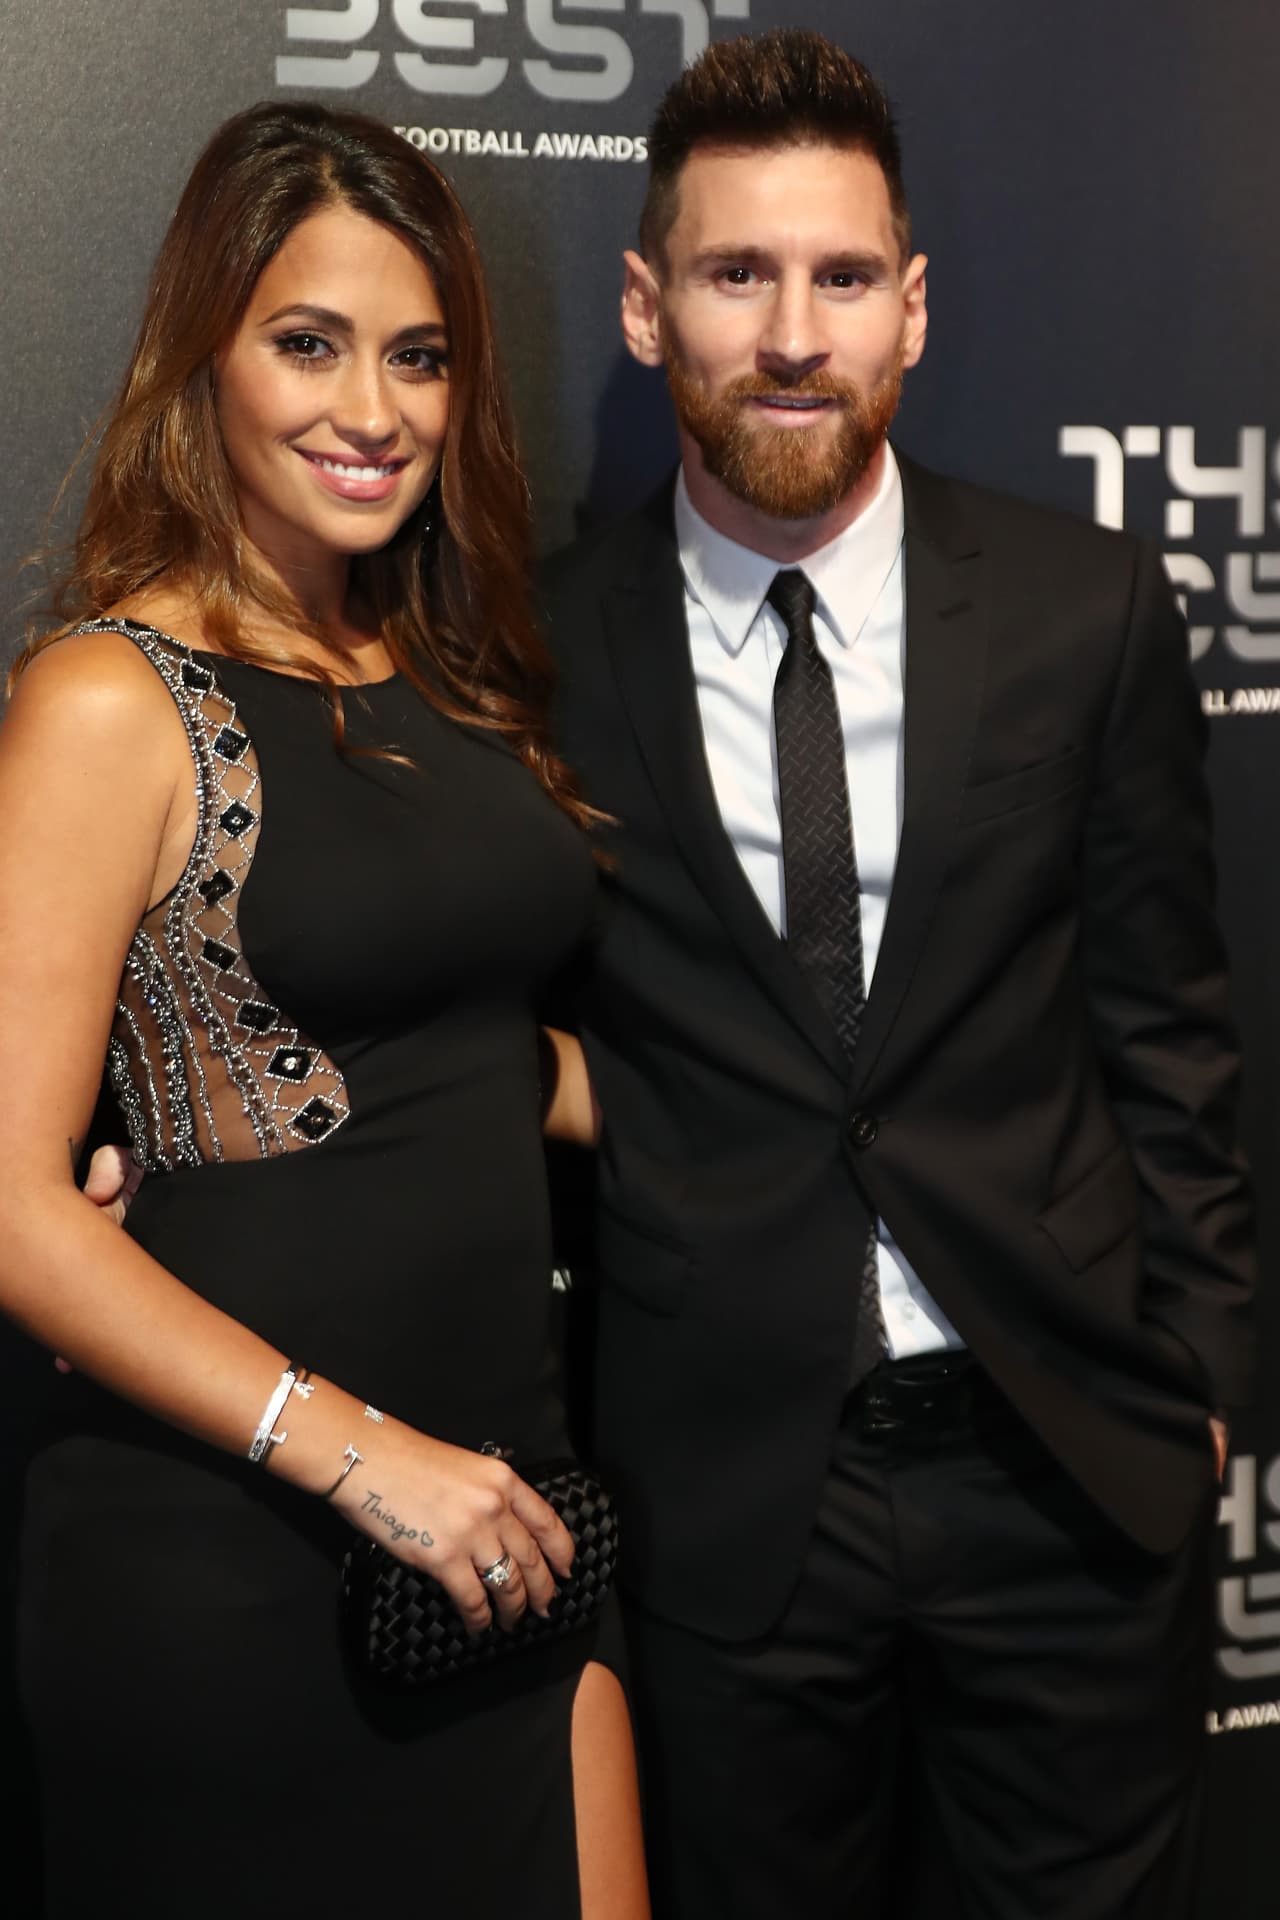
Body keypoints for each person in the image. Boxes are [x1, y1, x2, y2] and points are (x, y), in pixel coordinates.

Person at [538, 28, 1255, 1920]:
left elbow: (1170, 1029)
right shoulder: (533, 655)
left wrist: (1198, 1385)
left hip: (1065, 1473)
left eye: (843, 277)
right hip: (731, 1492)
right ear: (643, 305)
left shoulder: (1081, 610)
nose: (793, 332)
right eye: (735, 273)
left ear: (912, 310)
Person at [0, 102, 647, 1919]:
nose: (374, 410)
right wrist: (368, 1460)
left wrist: (829, 1113)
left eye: (420, 356)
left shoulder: (445, 671)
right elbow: (11, 1201)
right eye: (310, 342)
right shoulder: (109, 700)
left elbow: (468, 1059)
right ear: (203, 355)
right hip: (230, 1569)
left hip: (511, 1523)